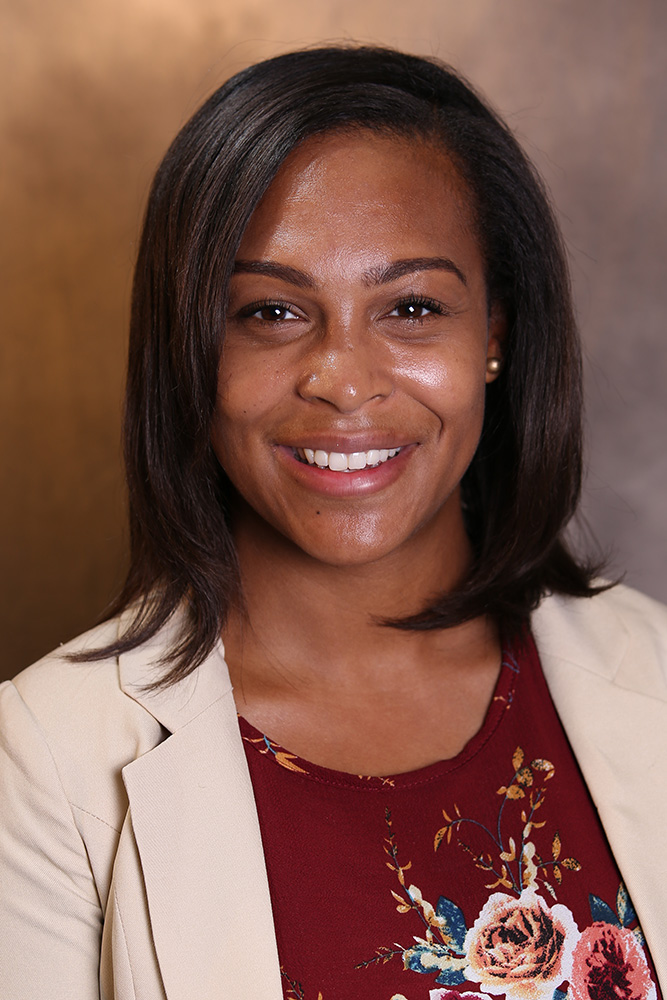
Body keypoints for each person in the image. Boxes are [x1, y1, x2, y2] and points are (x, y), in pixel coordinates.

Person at [1, 44, 666, 1000]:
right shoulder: (48, 757)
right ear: (192, 347)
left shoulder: (651, 671)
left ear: (495, 337)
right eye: (270, 310)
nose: (343, 379)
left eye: (411, 306)